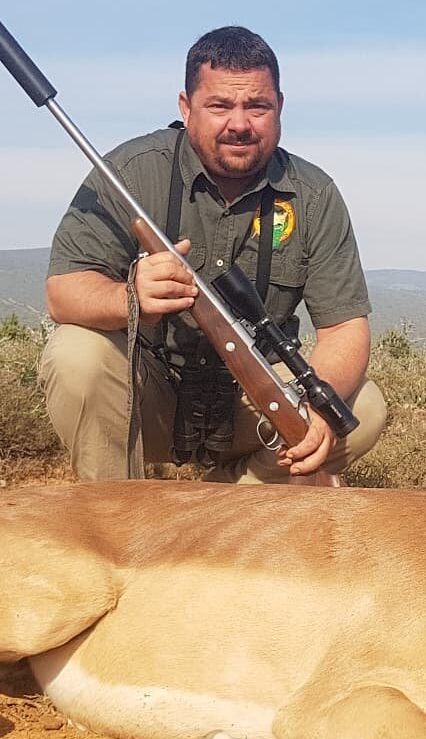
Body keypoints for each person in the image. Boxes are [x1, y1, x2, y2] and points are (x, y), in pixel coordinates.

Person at [39, 26, 386, 485]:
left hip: (251, 399)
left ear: (279, 107)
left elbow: (344, 328)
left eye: (256, 106)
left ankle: (233, 504)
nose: (239, 124)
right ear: (186, 108)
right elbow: (64, 293)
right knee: (75, 354)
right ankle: (116, 518)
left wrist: (315, 410)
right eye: (220, 106)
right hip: (150, 393)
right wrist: (130, 296)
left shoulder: (313, 194)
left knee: (361, 408)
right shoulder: (128, 172)